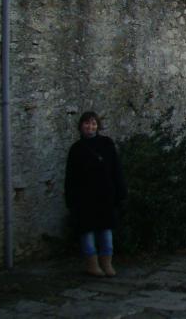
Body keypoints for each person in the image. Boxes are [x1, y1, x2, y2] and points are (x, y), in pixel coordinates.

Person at [65, 111, 127, 277]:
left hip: (105, 195)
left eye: (93, 123)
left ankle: (107, 263)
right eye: (87, 123)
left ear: (98, 126)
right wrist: (70, 199)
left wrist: (120, 191)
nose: (90, 127)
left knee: (106, 231)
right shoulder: (76, 149)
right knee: (87, 232)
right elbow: (70, 177)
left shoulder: (106, 143)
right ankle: (92, 265)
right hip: (84, 197)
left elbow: (116, 169)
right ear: (81, 126)